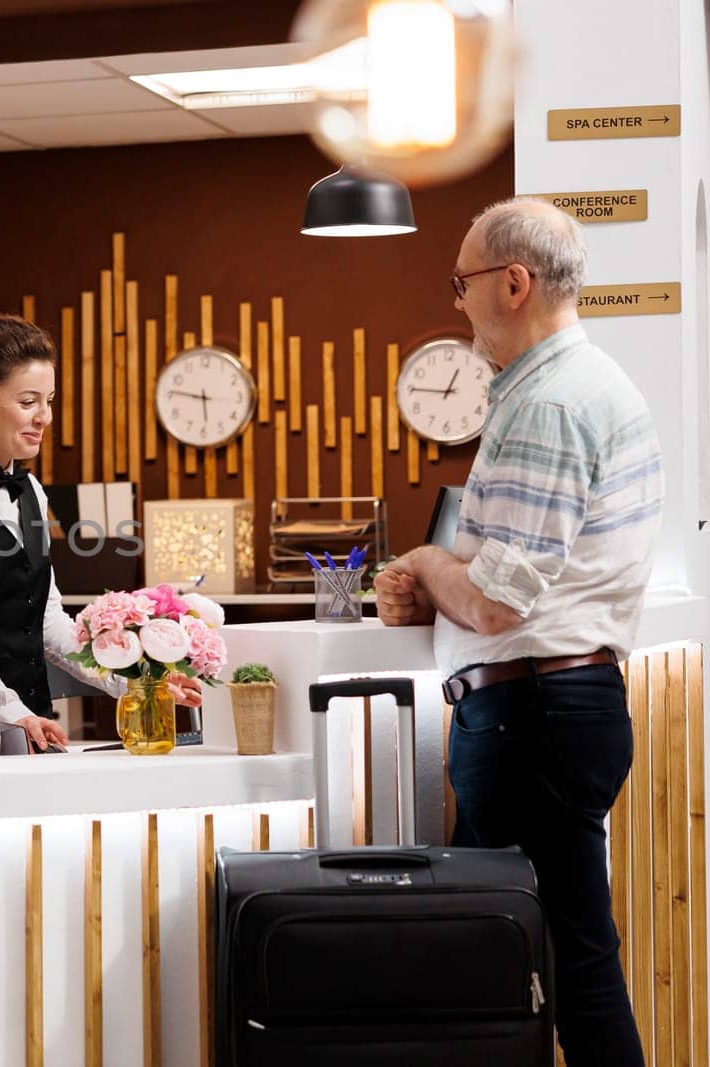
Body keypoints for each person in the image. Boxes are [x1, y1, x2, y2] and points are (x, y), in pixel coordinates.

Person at [374, 198, 661, 1067]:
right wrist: (446, 587)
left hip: (532, 713)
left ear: (513, 282)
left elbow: (499, 606)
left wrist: (427, 565)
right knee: (556, 955)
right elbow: (521, 578)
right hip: (557, 706)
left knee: (542, 959)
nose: (457, 303)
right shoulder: (580, 385)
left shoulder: (550, 404)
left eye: (461, 284)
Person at [0, 316, 203, 751]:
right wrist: (11, 710)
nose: (44, 417)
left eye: (49, 401)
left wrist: (135, 682)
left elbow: (49, 622)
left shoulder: (31, 490)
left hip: (28, 730)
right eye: (28, 401)